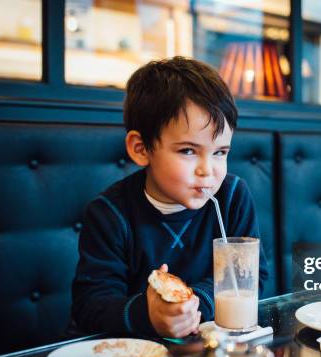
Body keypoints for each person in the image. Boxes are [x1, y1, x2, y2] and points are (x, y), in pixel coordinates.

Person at [71, 57, 269, 338]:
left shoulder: (232, 196)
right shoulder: (110, 213)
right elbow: (90, 306)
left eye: (220, 152)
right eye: (188, 151)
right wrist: (149, 313)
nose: (208, 170)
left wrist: (194, 304)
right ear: (141, 149)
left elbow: (251, 276)